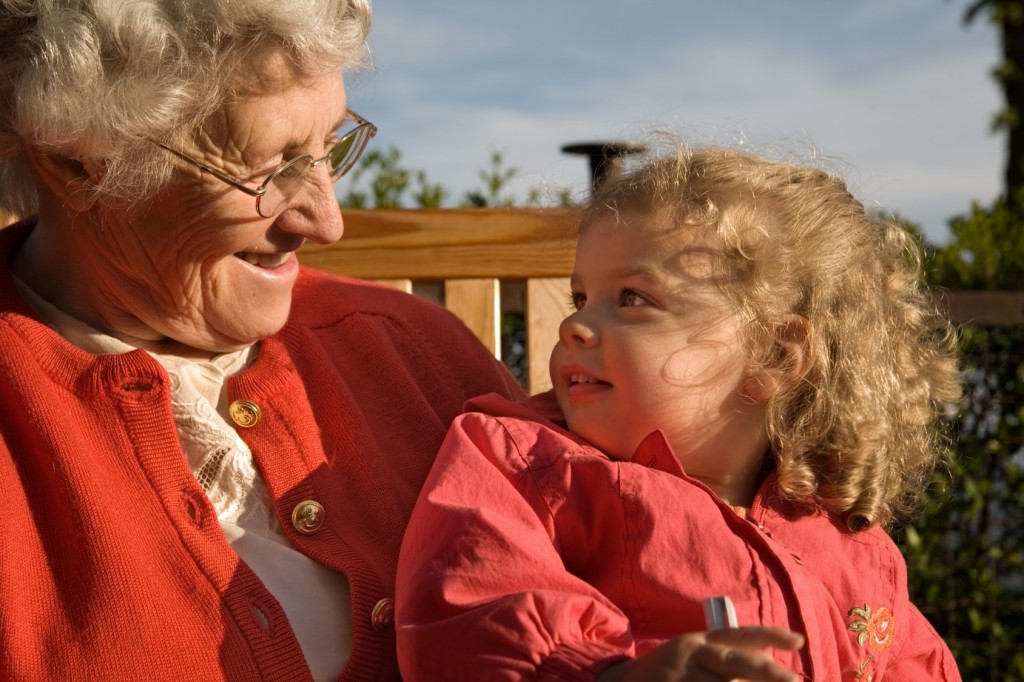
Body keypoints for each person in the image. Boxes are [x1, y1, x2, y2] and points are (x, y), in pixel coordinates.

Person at [0, 1, 523, 680]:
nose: (324, 220)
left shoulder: (413, 351)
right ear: (75, 163)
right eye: (270, 169)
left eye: (331, 145)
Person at [395, 145, 964, 681]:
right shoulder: (524, 463)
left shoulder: (847, 536)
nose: (574, 325)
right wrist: (613, 674)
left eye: (632, 299)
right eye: (580, 298)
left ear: (773, 355)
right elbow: (471, 602)